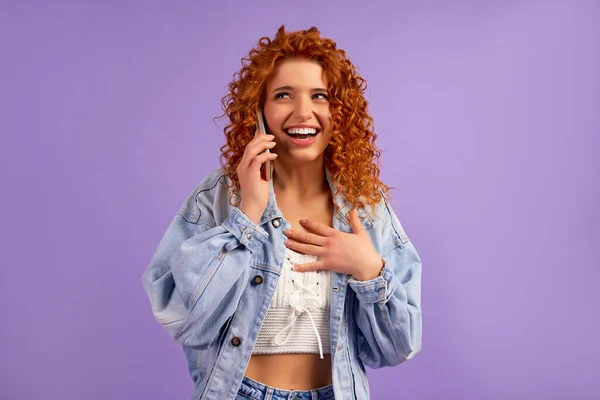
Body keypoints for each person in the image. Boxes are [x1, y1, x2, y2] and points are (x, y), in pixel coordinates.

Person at [141, 25, 423, 400]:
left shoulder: (366, 208)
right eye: (283, 95)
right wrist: (246, 218)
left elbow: (397, 347)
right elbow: (186, 321)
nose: (302, 112)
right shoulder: (219, 196)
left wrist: (368, 270)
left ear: (340, 112)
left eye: (320, 96)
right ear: (258, 111)